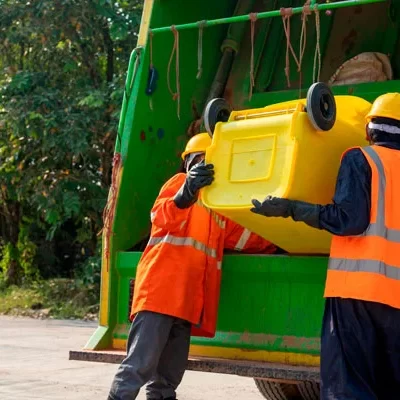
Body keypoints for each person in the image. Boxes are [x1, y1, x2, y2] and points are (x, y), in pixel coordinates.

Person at [250, 93, 400, 400]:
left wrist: (290, 208)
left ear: (370, 129)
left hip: (357, 291)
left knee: (350, 386)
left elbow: (349, 220)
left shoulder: (362, 158)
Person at [108, 132, 277, 400]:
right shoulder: (177, 184)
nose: (203, 165)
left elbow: (247, 238)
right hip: (160, 295)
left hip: (187, 301)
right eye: (198, 160)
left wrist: (280, 236)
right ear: (187, 163)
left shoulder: (218, 206)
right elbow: (160, 215)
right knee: (138, 367)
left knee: (168, 378)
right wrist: (186, 193)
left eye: (208, 160)